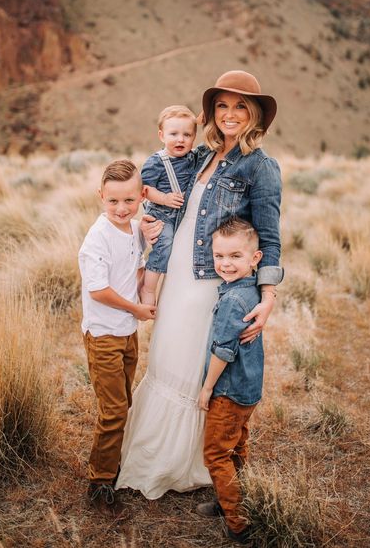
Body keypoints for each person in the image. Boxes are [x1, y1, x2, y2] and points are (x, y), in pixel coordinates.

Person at [116, 70, 283, 499]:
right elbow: (178, 211)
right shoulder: (201, 155)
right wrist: (149, 227)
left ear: (255, 114)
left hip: (212, 284)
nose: (230, 114)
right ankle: (156, 455)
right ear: (212, 112)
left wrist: (268, 296)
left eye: (241, 106)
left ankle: (193, 461)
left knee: (192, 369)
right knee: (166, 358)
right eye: (223, 105)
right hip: (178, 275)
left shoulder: (261, 166)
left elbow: (269, 235)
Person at [78, 159, 156, 515]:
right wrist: (137, 309)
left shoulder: (134, 227)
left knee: (123, 404)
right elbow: (99, 292)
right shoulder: (96, 239)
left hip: (127, 334)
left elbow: (138, 264)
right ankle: (100, 483)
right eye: (113, 202)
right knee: (112, 411)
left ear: (140, 196)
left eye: (129, 201)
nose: (122, 209)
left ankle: (114, 464)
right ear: (100, 196)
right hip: (105, 334)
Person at [197, 218, 264, 546]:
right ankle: (232, 503)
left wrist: (208, 388)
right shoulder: (250, 291)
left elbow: (223, 351)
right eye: (219, 255)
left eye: (235, 256)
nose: (225, 263)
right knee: (237, 447)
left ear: (255, 258)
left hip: (228, 391)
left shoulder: (232, 302)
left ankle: (238, 523)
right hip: (249, 391)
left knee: (216, 453)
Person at [140, 105, 197, 305]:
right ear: (161, 135)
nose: (180, 139)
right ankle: (147, 289)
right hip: (161, 214)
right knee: (164, 246)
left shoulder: (194, 158)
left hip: (182, 215)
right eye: (173, 134)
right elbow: (145, 189)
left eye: (187, 134)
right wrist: (164, 198)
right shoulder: (156, 162)